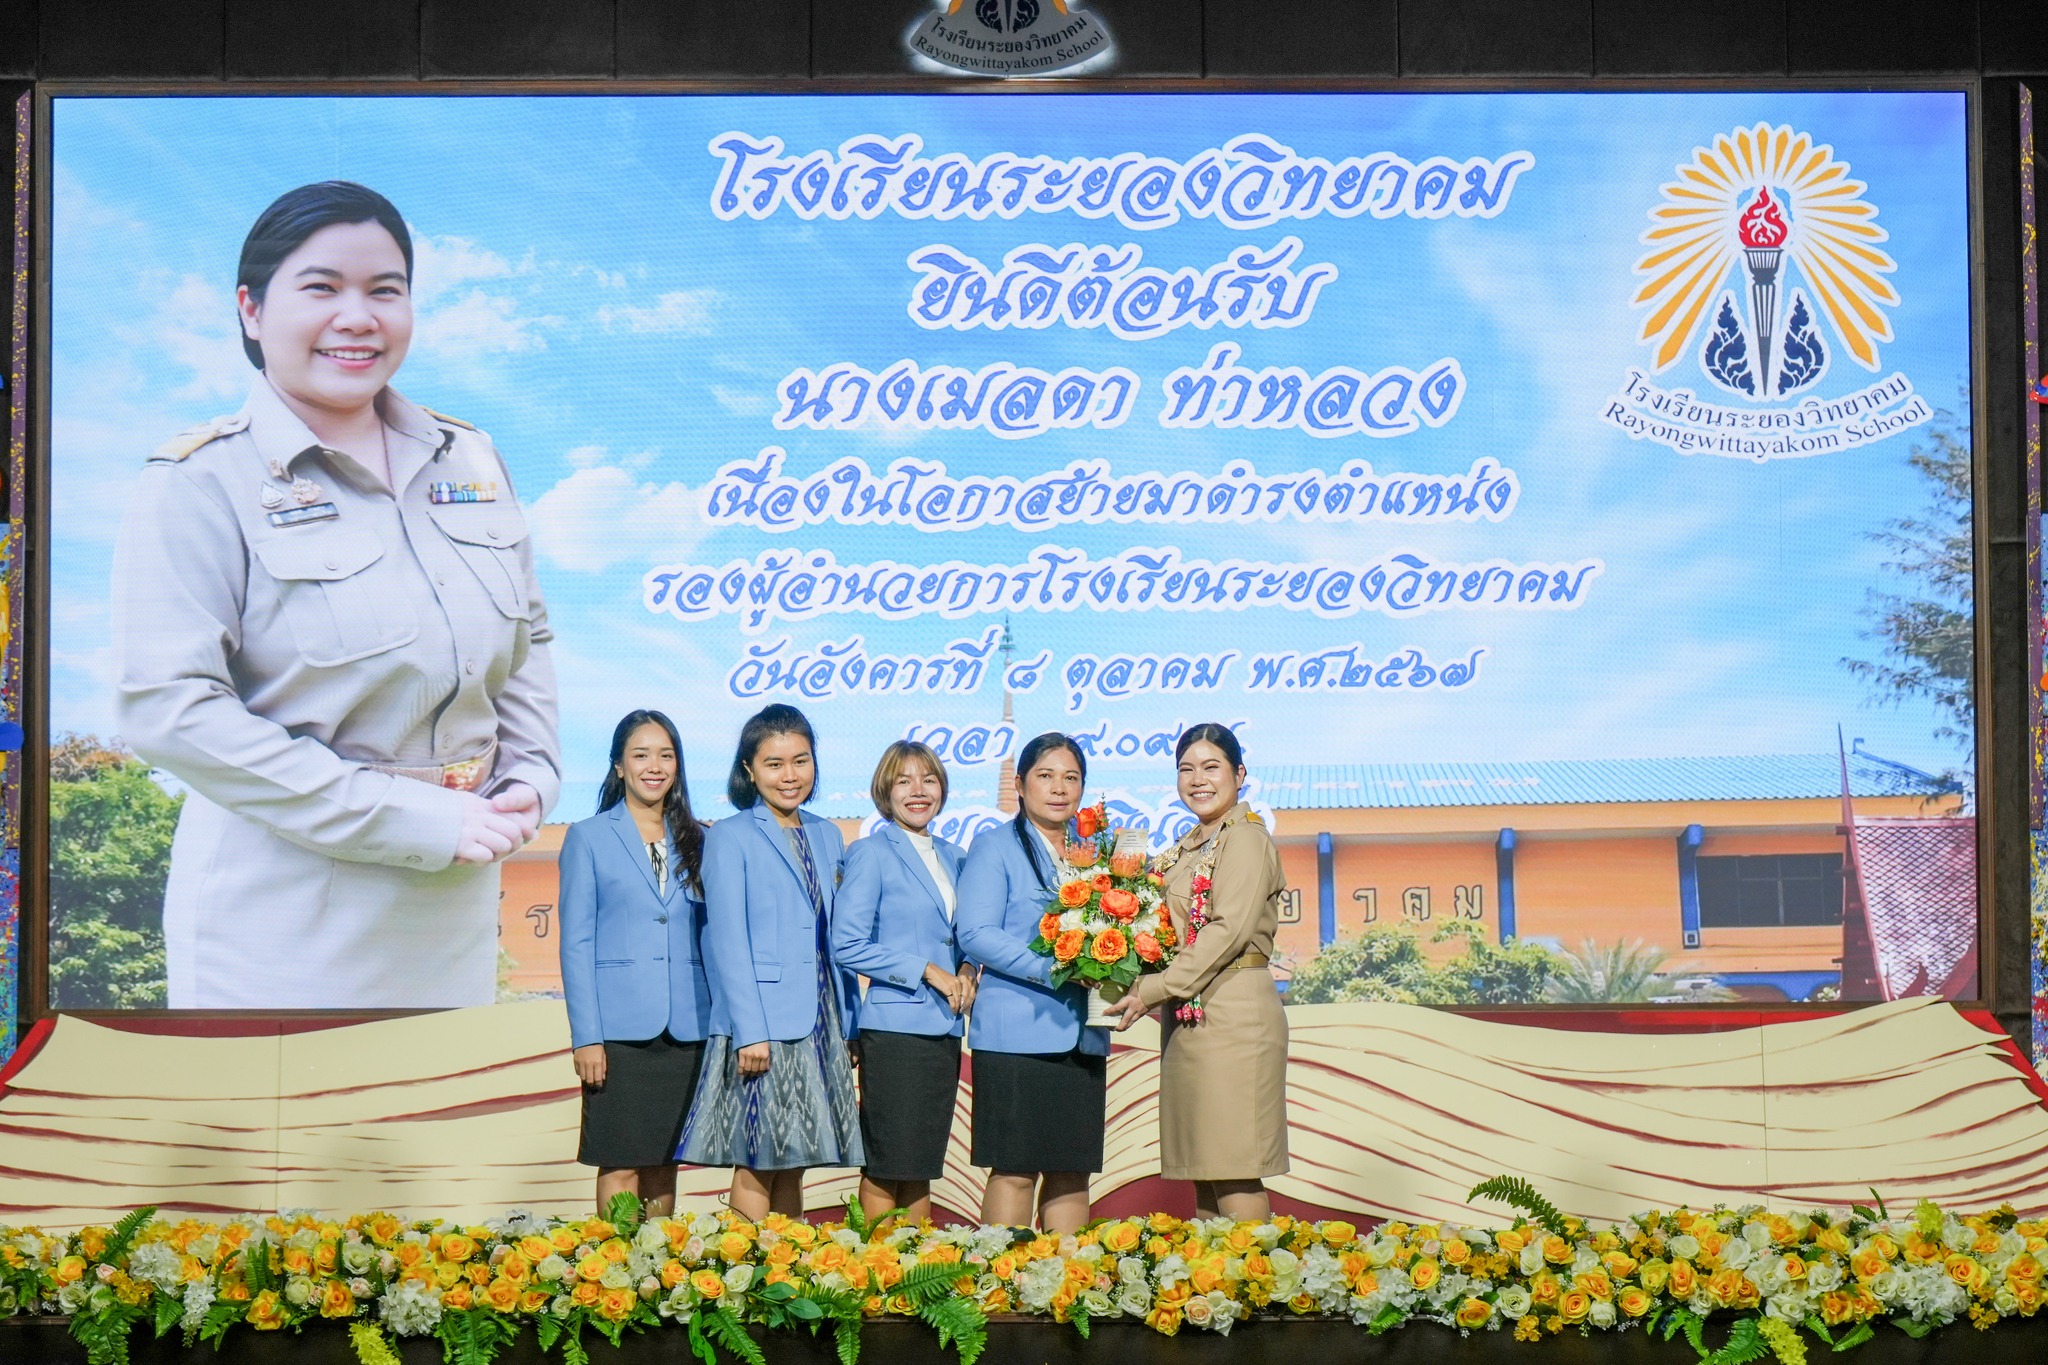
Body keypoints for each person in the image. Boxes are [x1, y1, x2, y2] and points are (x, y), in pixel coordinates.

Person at [113, 180, 558, 1009]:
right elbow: (167, 709)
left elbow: (529, 639)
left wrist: (532, 773)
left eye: (385, 290)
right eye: (321, 288)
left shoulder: (471, 457)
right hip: (279, 919)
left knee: (435, 1099)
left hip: (453, 900)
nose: (358, 317)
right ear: (251, 309)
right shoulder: (201, 480)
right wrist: (413, 819)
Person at [679, 704, 862, 1219]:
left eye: (800, 761)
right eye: (774, 764)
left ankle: (785, 1261)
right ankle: (747, 1265)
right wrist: (749, 1032)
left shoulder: (827, 833)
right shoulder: (731, 835)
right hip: (763, 1019)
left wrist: (850, 1024)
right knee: (758, 1157)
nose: (790, 775)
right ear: (749, 770)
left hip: (821, 1015)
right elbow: (727, 940)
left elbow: (836, 937)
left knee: (794, 1158)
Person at [1104, 723, 1288, 1221]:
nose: (1197, 779)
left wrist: (1153, 989)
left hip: (1233, 1015)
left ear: (1239, 774)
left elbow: (1227, 931)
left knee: (1234, 1166)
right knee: (1206, 1168)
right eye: (1186, 769)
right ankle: (1217, 1273)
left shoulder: (1245, 840)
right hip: (1190, 1016)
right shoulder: (1188, 846)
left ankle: (1254, 1270)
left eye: (1211, 767)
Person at [558, 710, 712, 1217]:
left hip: (688, 1026)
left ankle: (657, 1261)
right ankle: (616, 1260)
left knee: (665, 1161)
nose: (655, 766)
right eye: (641, 755)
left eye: (666, 755)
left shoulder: (700, 838)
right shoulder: (588, 836)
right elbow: (576, 943)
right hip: (619, 1031)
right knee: (621, 1161)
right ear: (619, 766)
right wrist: (586, 1037)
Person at [955, 732, 1108, 1233]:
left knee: (1072, 1172)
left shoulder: (1094, 854)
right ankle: (1006, 1279)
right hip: (1015, 1034)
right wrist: (1054, 969)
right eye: (1045, 776)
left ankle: (1065, 1277)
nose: (1059, 788)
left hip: (1082, 1035)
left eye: (1071, 777)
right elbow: (975, 933)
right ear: (1020, 785)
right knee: (1015, 1170)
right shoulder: (994, 846)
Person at [831, 741, 973, 1225]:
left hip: (945, 1028)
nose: (918, 791)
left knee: (920, 1164)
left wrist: (968, 969)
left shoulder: (956, 856)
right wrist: (927, 970)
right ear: (885, 792)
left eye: (928, 780)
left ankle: (916, 1264)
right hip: (894, 1030)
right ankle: (874, 1264)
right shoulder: (870, 852)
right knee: (887, 1163)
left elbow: (967, 936)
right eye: (904, 781)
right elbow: (846, 944)